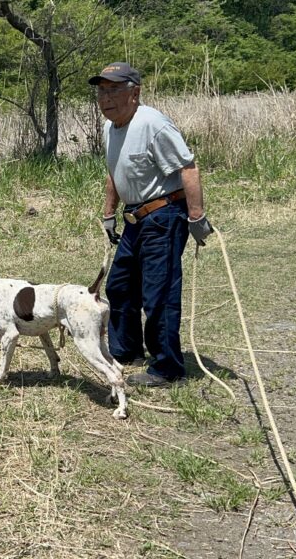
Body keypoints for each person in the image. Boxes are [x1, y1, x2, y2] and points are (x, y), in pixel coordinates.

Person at [88, 62, 214, 387]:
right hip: (134, 218)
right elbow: (115, 172)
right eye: (102, 91)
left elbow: (188, 168)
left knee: (158, 293)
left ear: (135, 93)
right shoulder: (110, 128)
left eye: (114, 90)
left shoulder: (152, 123)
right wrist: (108, 213)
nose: (106, 98)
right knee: (119, 286)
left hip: (164, 215)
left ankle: (168, 369)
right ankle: (126, 350)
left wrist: (196, 217)